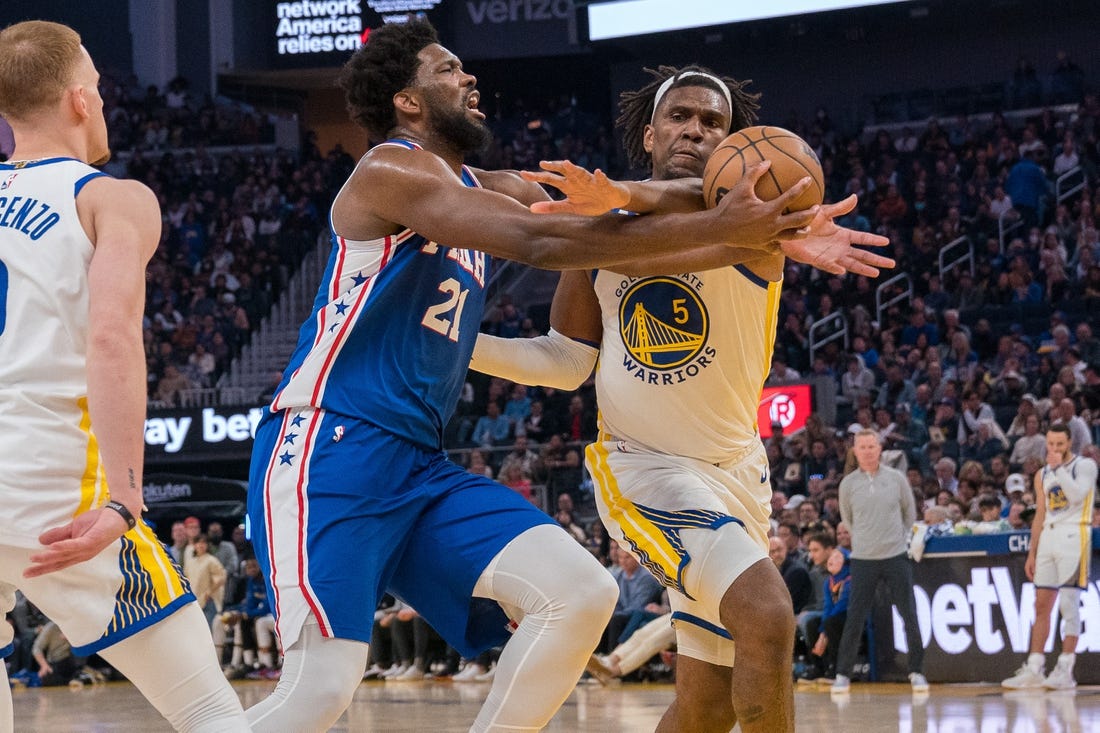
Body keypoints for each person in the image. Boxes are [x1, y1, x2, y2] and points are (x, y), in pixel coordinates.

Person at [245, 22, 821, 733]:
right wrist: (732, 230)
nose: (470, 78)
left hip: (420, 464)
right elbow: (543, 239)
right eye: (449, 69)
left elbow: (589, 206)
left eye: (712, 122)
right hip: (332, 443)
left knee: (580, 591)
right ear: (409, 100)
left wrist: (759, 217)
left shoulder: (483, 185)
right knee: (317, 693)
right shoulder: (390, 171)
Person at [471, 64, 892, 732]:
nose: (696, 128)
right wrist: (459, 342)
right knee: (768, 612)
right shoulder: (596, 233)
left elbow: (694, 201)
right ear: (649, 129)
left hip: (738, 474)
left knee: (707, 703)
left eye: (713, 121)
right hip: (646, 469)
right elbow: (565, 361)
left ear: (735, 143)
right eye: (681, 116)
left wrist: (625, 194)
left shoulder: (756, 225)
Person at [0, 20, 249, 733]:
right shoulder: (111, 198)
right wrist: (126, 495)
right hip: (51, 484)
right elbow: (110, 336)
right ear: (80, 99)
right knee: (206, 706)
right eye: (101, 90)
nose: (105, 103)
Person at [1002, 424, 1097, 690]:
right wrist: (1032, 551)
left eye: (1060, 444)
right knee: (1041, 605)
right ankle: (1034, 668)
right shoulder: (1041, 474)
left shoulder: (1085, 465)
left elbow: (1078, 496)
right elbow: (1041, 514)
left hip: (1073, 535)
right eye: (1051, 445)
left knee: (1069, 604)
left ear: (1069, 443)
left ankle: (1066, 669)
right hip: (1048, 538)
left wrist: (1058, 469)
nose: (1054, 449)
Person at [831, 430, 927, 694]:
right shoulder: (848, 485)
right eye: (862, 447)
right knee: (855, 617)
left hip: (896, 555)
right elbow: (847, 519)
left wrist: (894, 538)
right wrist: (865, 539)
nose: (868, 451)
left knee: (908, 613)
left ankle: (917, 671)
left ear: (880, 448)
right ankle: (843, 674)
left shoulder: (896, 479)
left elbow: (909, 514)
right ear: (855, 451)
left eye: (872, 446)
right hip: (863, 558)